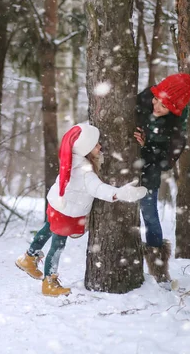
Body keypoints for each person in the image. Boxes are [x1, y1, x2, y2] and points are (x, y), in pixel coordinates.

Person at [16, 123, 148, 297]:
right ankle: (49, 282)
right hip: (66, 210)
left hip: (57, 204)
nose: (100, 146)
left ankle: (28, 257)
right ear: (85, 148)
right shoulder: (85, 171)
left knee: (48, 227)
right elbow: (99, 189)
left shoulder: (71, 158)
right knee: (58, 245)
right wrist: (119, 193)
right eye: (95, 145)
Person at [134, 73, 190, 284]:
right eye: (156, 99)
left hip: (149, 173)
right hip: (121, 169)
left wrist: (146, 146)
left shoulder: (176, 130)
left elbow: (166, 161)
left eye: (164, 106)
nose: (157, 106)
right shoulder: (141, 100)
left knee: (149, 215)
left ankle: (158, 271)